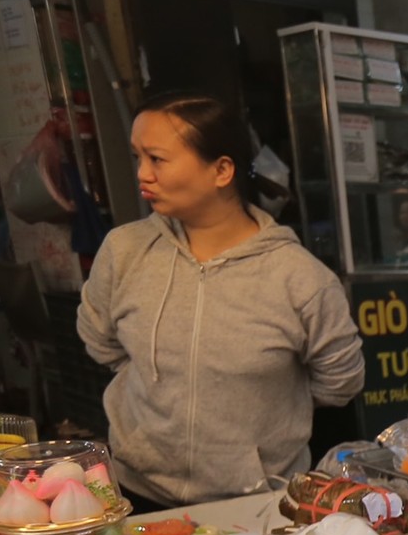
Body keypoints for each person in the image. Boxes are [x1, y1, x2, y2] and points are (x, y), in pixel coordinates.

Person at [78, 93, 363, 508]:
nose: (142, 173)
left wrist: (265, 399)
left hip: (257, 504)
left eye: (157, 159)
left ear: (222, 170)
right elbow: (100, 340)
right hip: (138, 495)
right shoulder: (125, 251)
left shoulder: (299, 278)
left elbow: (340, 382)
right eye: (138, 156)